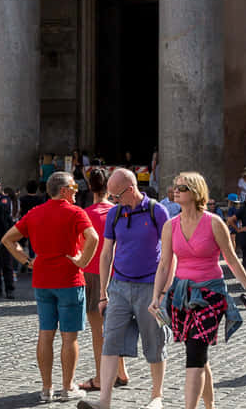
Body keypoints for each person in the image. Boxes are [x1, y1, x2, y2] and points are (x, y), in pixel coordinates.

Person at [150, 172, 246, 409]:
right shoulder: (170, 225)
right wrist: (157, 296)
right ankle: (211, 406)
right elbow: (164, 264)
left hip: (210, 295)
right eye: (175, 186)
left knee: (195, 351)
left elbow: (232, 259)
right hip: (181, 294)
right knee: (197, 352)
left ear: (196, 193)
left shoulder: (214, 223)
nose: (176, 190)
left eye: (182, 187)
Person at [3, 170, 100, 404]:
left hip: (43, 281)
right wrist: (82, 262)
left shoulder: (35, 213)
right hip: (69, 280)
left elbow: (8, 239)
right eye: (74, 189)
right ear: (64, 190)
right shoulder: (75, 212)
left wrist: (27, 261)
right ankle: (67, 387)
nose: (77, 192)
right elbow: (93, 238)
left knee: (45, 334)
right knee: (70, 338)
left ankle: (46, 388)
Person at [94, 167, 168, 409]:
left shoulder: (157, 211)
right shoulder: (115, 214)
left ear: (131, 189)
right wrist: (103, 293)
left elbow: (170, 254)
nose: (114, 201)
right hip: (119, 287)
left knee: (154, 342)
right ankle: (104, 400)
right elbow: (106, 254)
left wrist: (163, 291)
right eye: (111, 196)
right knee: (110, 342)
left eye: (116, 195)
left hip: (149, 287)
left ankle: (156, 396)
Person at [77, 167, 115, 396]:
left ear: (90, 187)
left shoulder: (85, 214)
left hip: (92, 273)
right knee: (115, 327)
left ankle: (101, 377)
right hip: (117, 273)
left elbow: (80, 246)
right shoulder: (118, 212)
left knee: (98, 331)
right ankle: (120, 372)